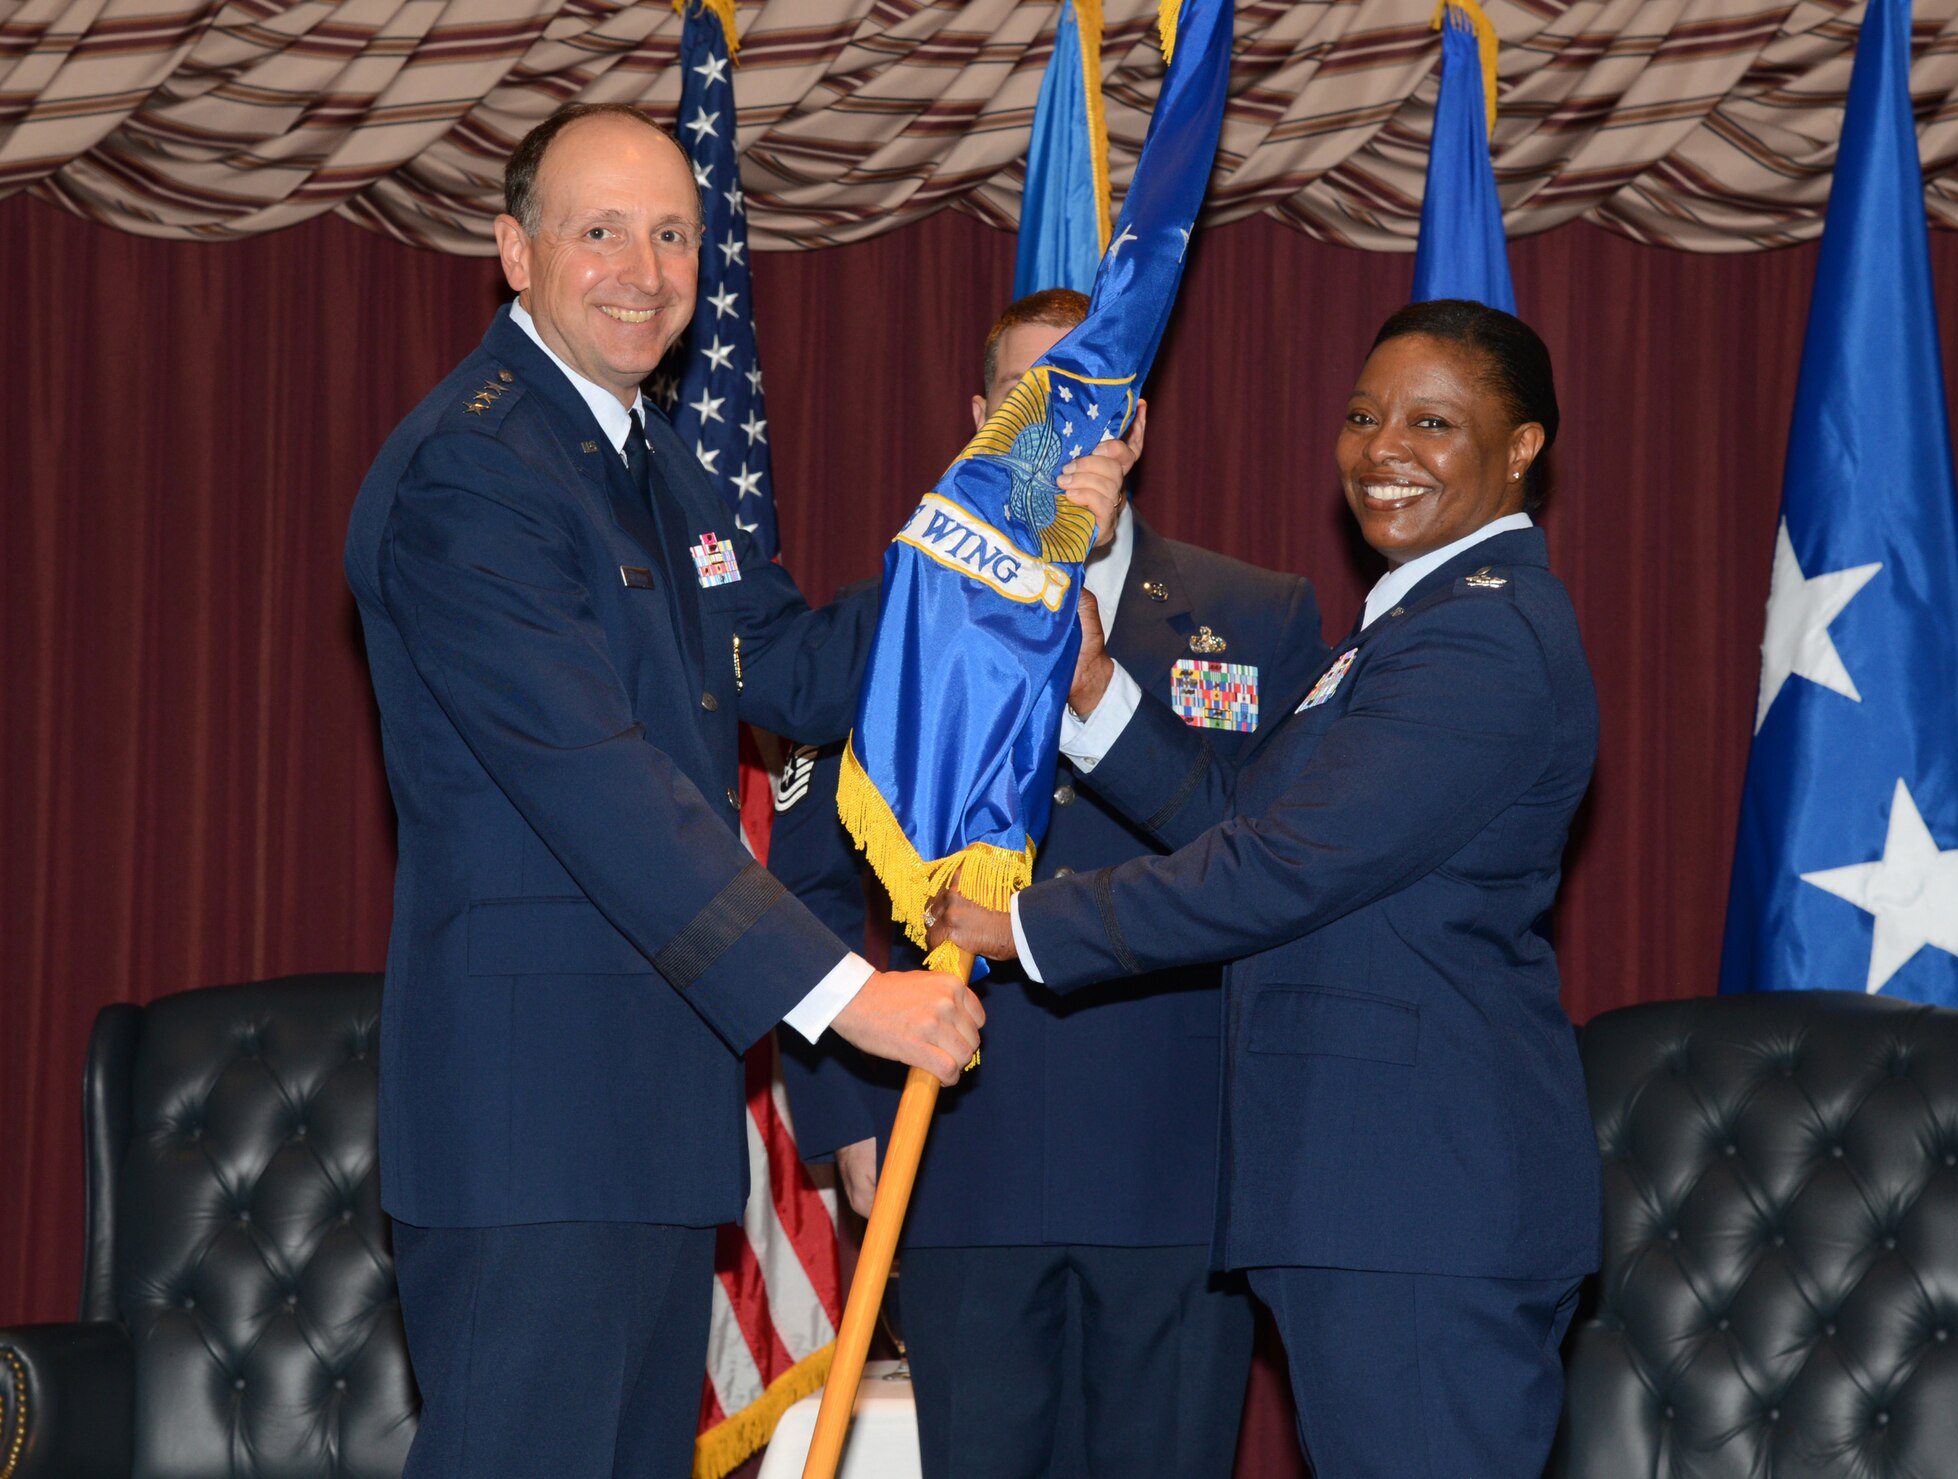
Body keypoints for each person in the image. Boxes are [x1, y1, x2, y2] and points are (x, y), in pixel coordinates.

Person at [343, 103, 1071, 1479]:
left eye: (674, 234)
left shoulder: (655, 459)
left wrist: (997, 520)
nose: (643, 267)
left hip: (649, 1127)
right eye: (600, 230)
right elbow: (601, 783)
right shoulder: (475, 473)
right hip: (531, 1135)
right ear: (514, 249)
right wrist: (852, 996)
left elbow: (788, 666)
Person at [933, 299, 1603, 1478]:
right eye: (1361, 415)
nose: (1381, 448)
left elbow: (1281, 867)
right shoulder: (1400, 630)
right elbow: (1259, 824)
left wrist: (1023, 925)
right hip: (1363, 1201)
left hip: (1416, 1205)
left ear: (1521, 449)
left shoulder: (1477, 642)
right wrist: (1095, 699)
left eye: (1431, 422)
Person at [774, 288, 1330, 1479]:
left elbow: (1275, 863)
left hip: (1177, 1166)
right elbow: (808, 881)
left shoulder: (1256, 616)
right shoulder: (896, 613)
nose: (1067, 438)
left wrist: (1093, 699)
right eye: (1035, 406)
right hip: (959, 1150)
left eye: (1094, 409)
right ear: (981, 422)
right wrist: (840, 1113)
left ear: (1134, 426)